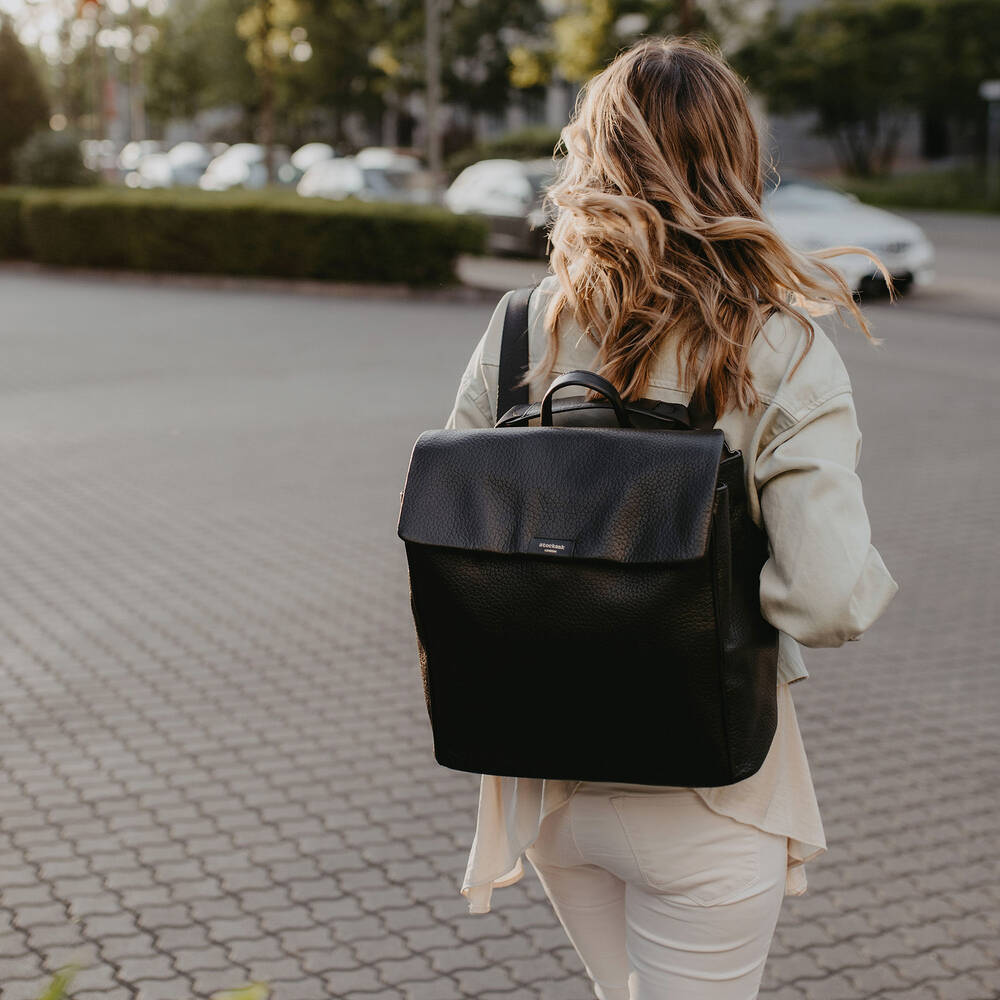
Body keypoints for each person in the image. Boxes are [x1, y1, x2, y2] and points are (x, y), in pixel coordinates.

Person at [443, 35, 898, 1000]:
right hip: (707, 787)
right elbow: (826, 600)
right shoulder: (777, 344)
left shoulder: (525, 325)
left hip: (544, 778)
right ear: (737, 161)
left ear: (592, 154)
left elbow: (457, 525)